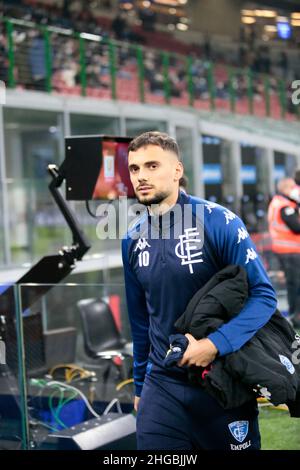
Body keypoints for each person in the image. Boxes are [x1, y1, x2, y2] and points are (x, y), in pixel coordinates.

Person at [122, 131, 277, 450]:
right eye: (135, 169)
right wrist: (139, 386)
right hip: (161, 385)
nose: (141, 176)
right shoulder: (132, 238)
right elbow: (141, 322)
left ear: (177, 170)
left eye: (152, 166)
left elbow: (263, 296)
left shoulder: (220, 222)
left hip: (221, 379)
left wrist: (214, 344)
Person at [268, 178, 300, 328]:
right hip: (290, 251)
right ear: (287, 188)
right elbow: (296, 227)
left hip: (287, 251)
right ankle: (296, 316)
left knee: (294, 284)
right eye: (294, 187)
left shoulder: (281, 203)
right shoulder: (284, 206)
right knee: (295, 285)